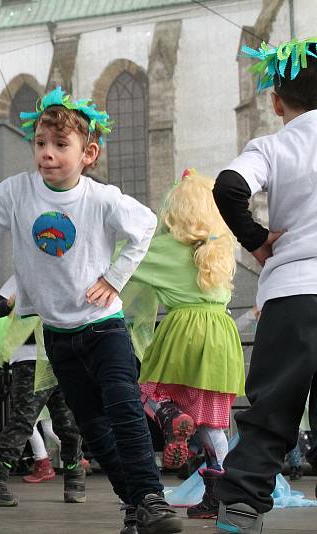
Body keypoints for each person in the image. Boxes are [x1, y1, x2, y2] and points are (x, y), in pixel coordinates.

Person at [0, 86, 182, 534]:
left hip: (104, 329)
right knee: (93, 429)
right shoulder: (18, 193)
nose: (47, 153)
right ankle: (135, 505)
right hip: (58, 339)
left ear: (88, 153)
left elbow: (145, 225)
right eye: (41, 144)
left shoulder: (100, 198)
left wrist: (114, 278)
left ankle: (153, 499)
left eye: (61, 145)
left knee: (123, 409)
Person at [210, 37, 317, 534]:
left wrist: (255, 240)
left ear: (276, 101)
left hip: (292, 293)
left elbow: (229, 187)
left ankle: (241, 507)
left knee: (273, 407)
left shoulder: (274, 146)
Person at [125, 170, 244, 519]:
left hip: (182, 331)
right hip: (222, 335)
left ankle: (171, 415)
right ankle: (218, 499)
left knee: (149, 390)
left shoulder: (166, 249)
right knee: (213, 423)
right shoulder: (222, 248)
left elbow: (122, 258)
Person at [0, 275, 85, 505]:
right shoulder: (24, 274)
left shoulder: (69, 273)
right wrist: (8, 304)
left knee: (68, 424)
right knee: (24, 419)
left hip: (61, 356)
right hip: (29, 361)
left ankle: (75, 475)